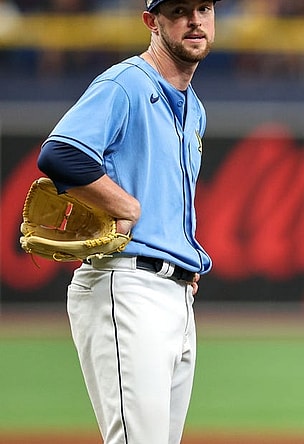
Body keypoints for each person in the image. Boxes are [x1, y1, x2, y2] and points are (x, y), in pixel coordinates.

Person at [36, 0, 219, 442]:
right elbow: (60, 154)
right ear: (151, 22)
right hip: (127, 286)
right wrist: (124, 206)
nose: (194, 21)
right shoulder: (126, 83)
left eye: (204, 8)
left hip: (174, 294)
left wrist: (181, 252)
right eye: (178, 10)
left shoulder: (194, 106)